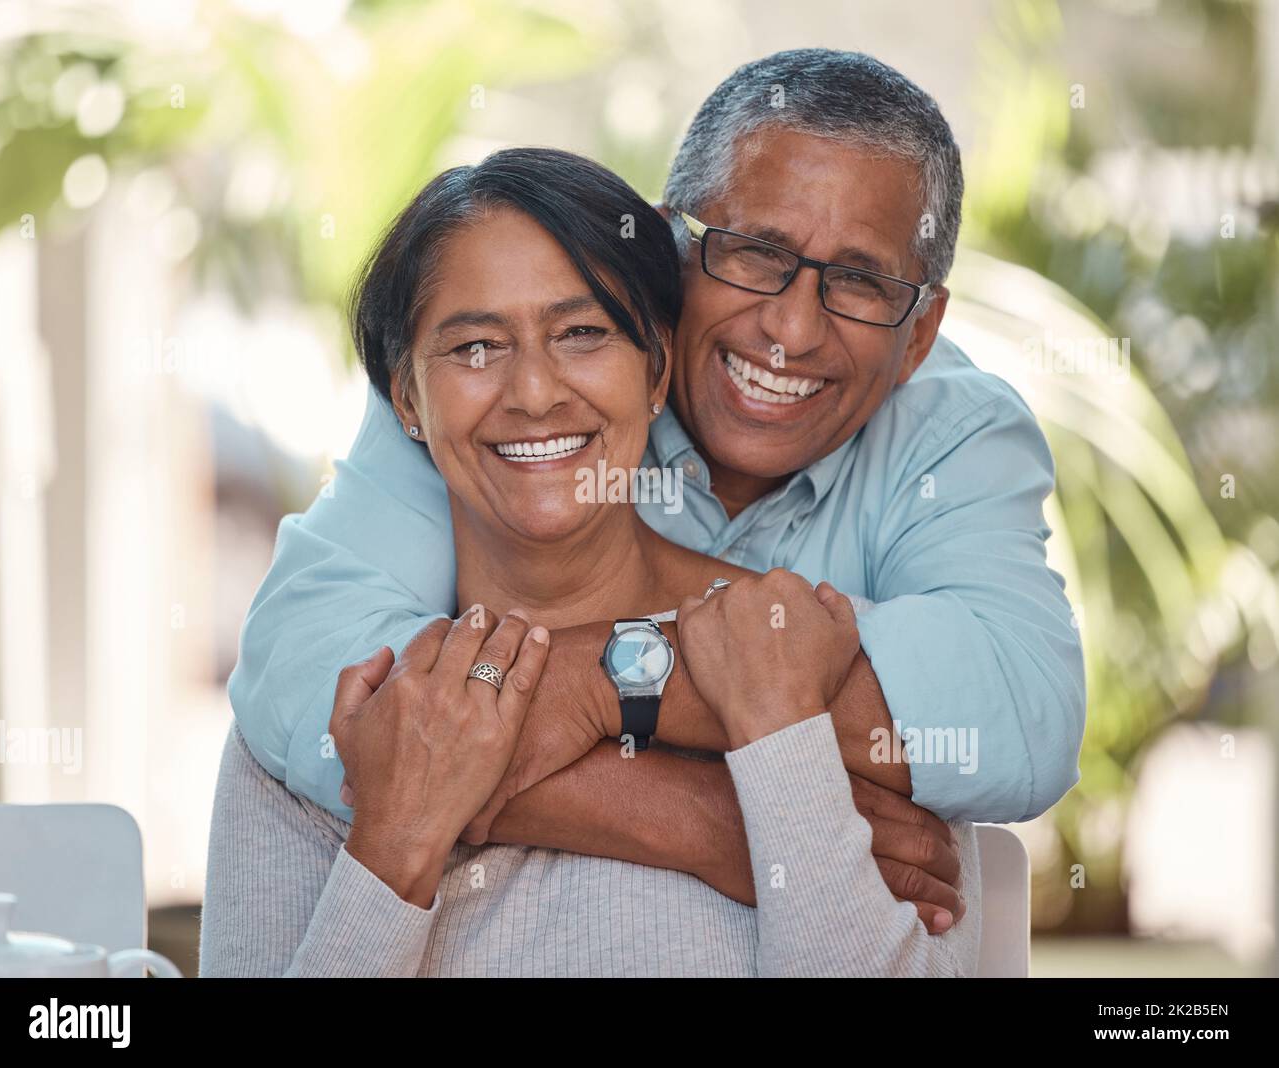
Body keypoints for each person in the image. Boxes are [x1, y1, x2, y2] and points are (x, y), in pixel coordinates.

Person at [228, 49, 1085, 933]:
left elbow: (1021, 715)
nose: (791, 330)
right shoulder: (485, 384)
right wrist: (707, 819)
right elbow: (313, 676)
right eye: (757, 254)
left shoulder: (954, 432)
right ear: (673, 250)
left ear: (920, 334)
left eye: (861, 282)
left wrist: (601, 681)